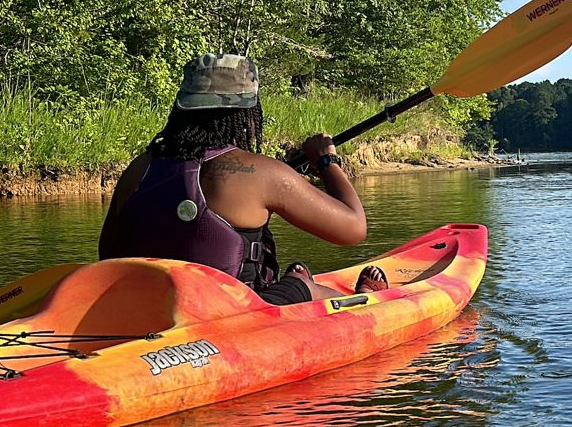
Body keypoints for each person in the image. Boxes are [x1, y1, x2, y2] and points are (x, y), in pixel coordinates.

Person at [99, 53, 387, 305]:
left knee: (292, 283)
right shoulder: (260, 174)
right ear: (247, 114)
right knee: (302, 288)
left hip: (148, 309)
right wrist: (327, 161)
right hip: (231, 314)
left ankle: (292, 281)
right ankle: (345, 295)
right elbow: (354, 228)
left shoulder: (139, 168)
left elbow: (108, 254)